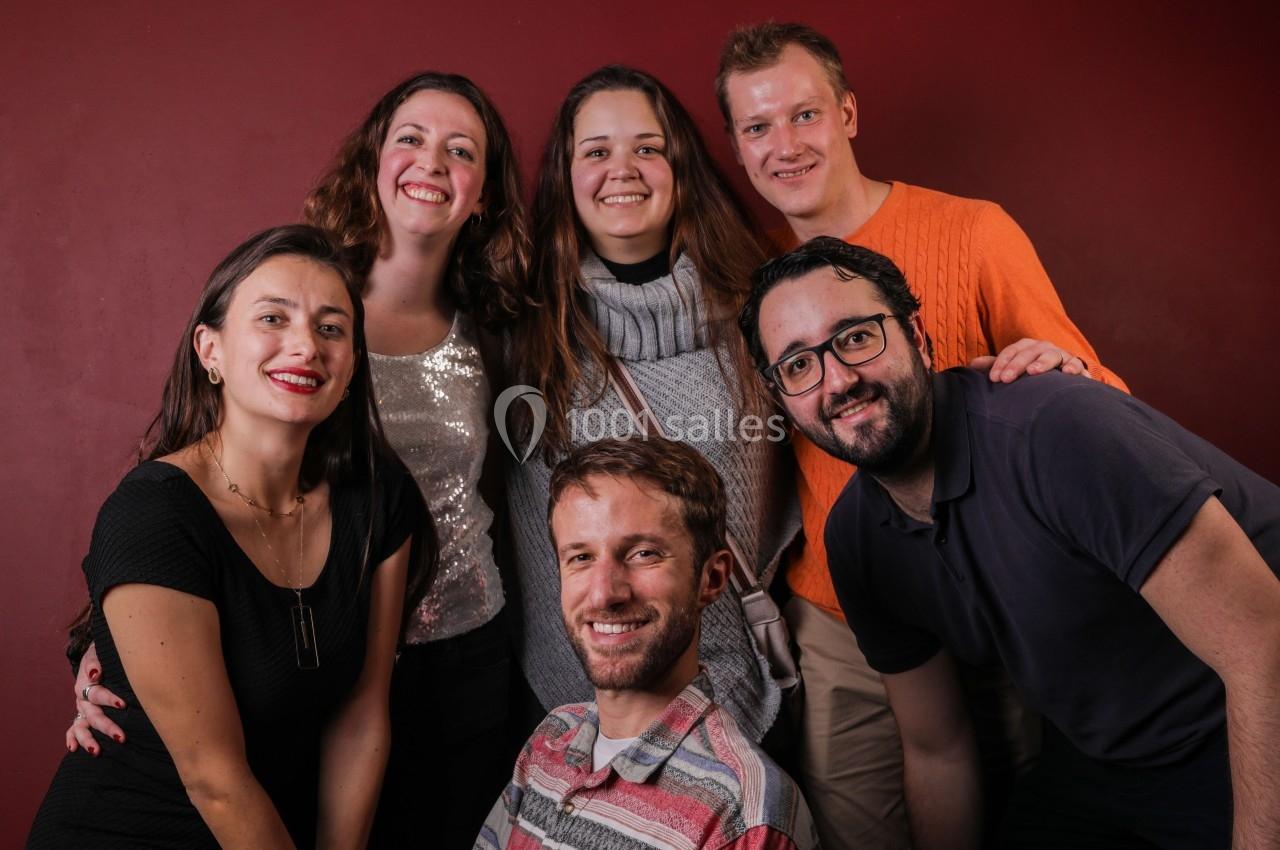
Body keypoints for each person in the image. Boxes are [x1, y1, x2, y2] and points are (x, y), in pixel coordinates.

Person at [63, 72, 533, 850]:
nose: (432, 162)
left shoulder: (501, 324)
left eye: (462, 150)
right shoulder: (304, 290)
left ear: (484, 191)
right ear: (373, 161)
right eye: (410, 139)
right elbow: (191, 488)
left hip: (459, 650)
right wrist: (102, 650)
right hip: (308, 654)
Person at [716, 21, 1127, 847]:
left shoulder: (974, 233)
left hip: (993, 604)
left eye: (805, 115)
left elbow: (1102, 406)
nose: (784, 145)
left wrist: (1065, 371)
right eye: (757, 126)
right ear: (736, 143)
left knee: (1025, 814)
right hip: (840, 620)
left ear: (849, 114)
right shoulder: (750, 279)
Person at [739, 237, 1280, 850]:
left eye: (858, 337)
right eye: (799, 365)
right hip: (1107, 762)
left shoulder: (1056, 430)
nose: (838, 379)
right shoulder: (858, 539)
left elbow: (1264, 650)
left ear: (918, 336)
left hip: (1248, 722)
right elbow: (937, 749)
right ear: (781, 396)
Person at [29, 225, 431, 849]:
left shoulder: (378, 499)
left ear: (352, 364)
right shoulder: (154, 514)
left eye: (331, 328)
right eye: (273, 318)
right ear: (209, 350)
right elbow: (215, 779)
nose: (305, 346)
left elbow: (361, 719)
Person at [505, 65, 797, 746]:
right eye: (597, 151)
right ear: (567, 173)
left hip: (743, 668)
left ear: (678, 165)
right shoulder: (525, 324)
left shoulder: (759, 307)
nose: (623, 169)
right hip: (578, 686)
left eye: (647, 147)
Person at [476, 437, 818, 850]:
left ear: (711, 578)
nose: (604, 594)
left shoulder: (743, 816)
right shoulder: (549, 740)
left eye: (642, 553)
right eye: (581, 558)